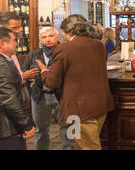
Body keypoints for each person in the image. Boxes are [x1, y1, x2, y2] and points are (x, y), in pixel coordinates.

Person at [35, 14, 114, 150]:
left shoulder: (65, 48)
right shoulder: (99, 45)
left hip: (78, 110)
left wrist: (43, 71)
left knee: (85, 146)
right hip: (101, 104)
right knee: (82, 143)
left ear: (66, 31)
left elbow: (52, 82)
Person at [21, 27, 74, 150]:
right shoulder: (34, 54)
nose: (48, 39)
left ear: (58, 37)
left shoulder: (65, 52)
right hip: (39, 95)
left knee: (67, 127)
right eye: (44, 37)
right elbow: (23, 71)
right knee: (41, 129)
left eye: (50, 36)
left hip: (62, 95)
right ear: (41, 40)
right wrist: (27, 74)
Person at [0, 27, 36, 150]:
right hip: (7, 129)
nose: (17, 43)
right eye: (14, 40)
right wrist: (26, 125)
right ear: (2, 43)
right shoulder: (2, 64)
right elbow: (9, 99)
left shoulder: (6, 61)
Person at [0, 12, 39, 82]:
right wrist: (23, 76)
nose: (19, 31)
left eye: (19, 27)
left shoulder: (11, 47)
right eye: (14, 28)